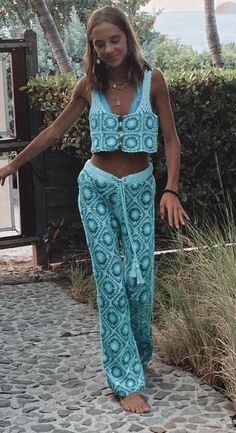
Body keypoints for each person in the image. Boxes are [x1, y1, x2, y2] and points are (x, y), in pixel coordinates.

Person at [0, 5, 189, 413]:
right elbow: (54, 130)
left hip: (139, 191)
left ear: (128, 38)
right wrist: (13, 164)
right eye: (98, 43)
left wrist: (170, 189)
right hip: (96, 190)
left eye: (114, 40)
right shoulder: (89, 86)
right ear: (92, 47)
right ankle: (125, 380)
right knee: (111, 282)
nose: (107, 49)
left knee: (139, 284)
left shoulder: (153, 81)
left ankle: (137, 356)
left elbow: (171, 139)